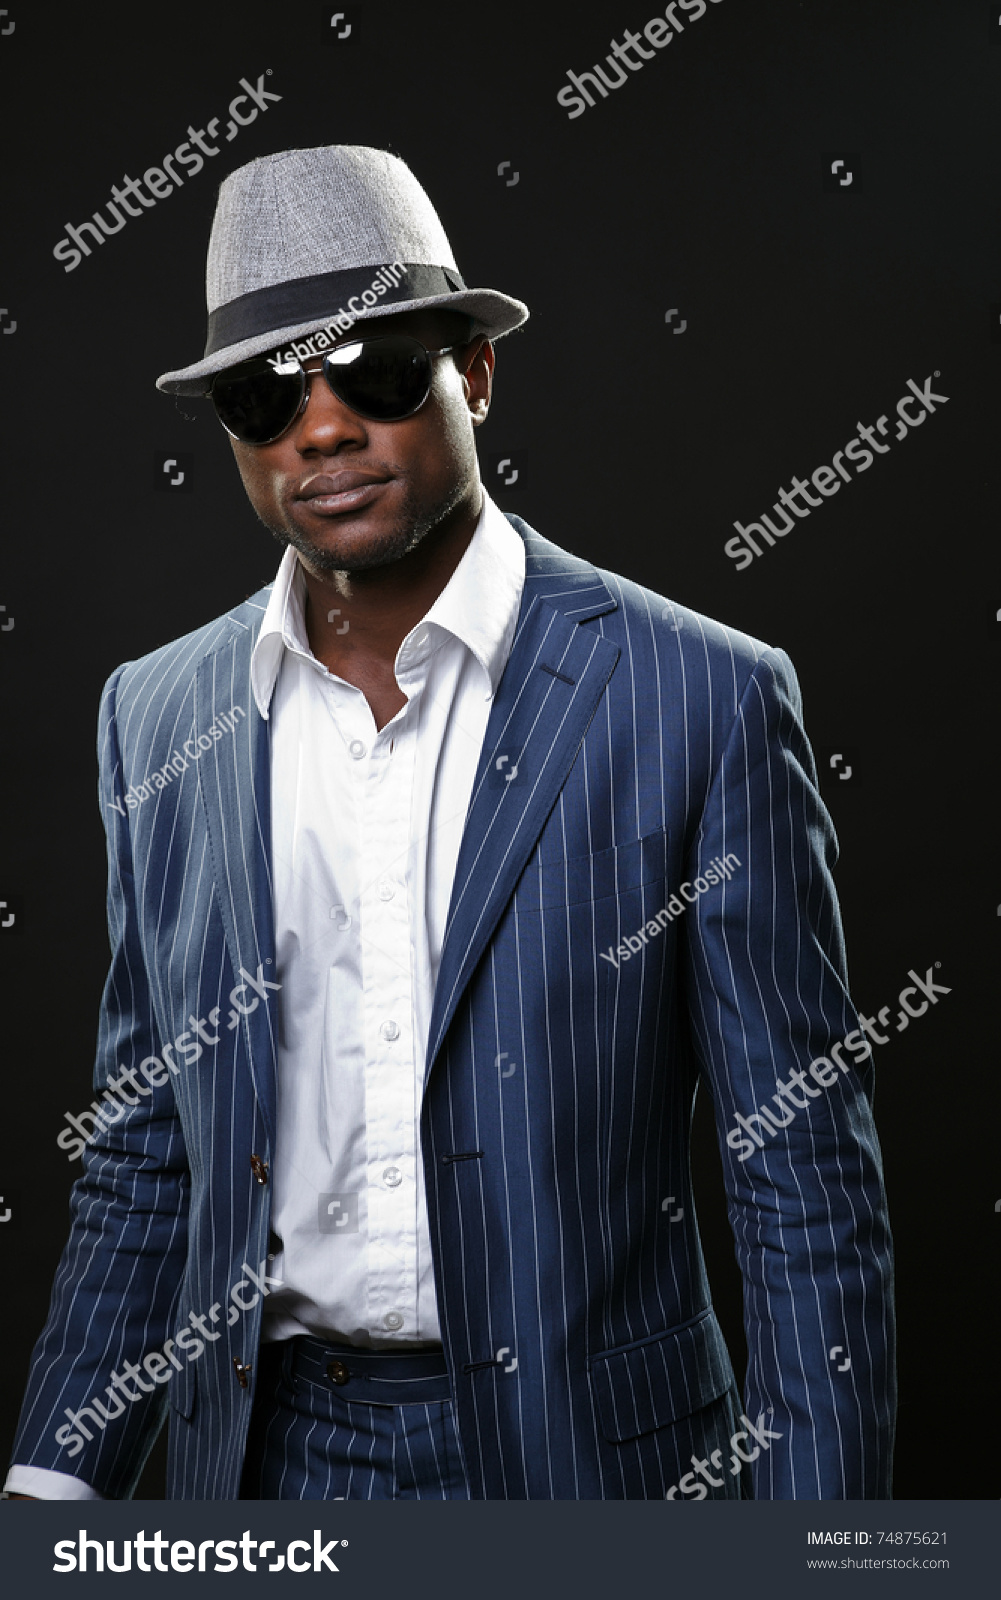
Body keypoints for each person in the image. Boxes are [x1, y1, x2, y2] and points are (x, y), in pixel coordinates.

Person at [5, 145, 895, 1502]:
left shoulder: (701, 695)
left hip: (598, 1470)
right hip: (257, 1466)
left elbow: (800, 1179)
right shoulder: (156, 716)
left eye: (369, 371)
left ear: (471, 372)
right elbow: (148, 1150)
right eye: (263, 396)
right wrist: (49, 1488)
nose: (320, 428)